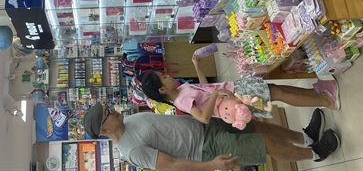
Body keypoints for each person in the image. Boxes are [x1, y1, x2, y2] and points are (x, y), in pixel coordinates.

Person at [83, 102, 340, 171]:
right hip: (206, 148)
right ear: (104, 130)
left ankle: (306, 137)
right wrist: (211, 165)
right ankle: (316, 153)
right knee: (265, 144)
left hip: (206, 126)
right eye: (108, 113)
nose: (114, 111)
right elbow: (170, 165)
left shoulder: (129, 120)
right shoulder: (131, 150)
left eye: (109, 107)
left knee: (259, 127)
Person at [141, 54, 339, 127]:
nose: (168, 76)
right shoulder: (181, 101)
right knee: (277, 94)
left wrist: (198, 67)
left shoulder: (183, 88)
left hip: (236, 90)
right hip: (237, 101)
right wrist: (216, 95)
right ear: (162, 89)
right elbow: (203, 118)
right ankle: (326, 101)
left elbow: (206, 88)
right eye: (164, 78)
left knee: (274, 89)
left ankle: (316, 94)